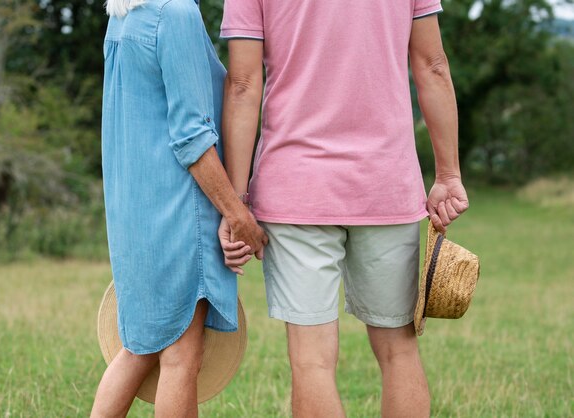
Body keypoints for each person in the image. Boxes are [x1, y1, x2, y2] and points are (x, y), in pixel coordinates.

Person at [218, 1, 469, 417]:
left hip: (296, 191)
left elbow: (244, 84)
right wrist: (448, 174)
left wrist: (236, 202)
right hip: (385, 185)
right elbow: (433, 65)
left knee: (311, 361)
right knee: (398, 352)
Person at [91, 0, 267, 417]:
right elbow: (191, 137)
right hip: (179, 213)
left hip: (134, 212)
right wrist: (236, 213)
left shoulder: (124, 17)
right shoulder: (176, 14)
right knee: (180, 358)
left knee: (140, 350)